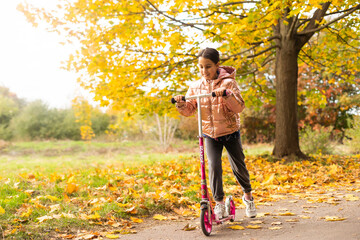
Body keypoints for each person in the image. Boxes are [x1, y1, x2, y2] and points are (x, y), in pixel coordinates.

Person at [173, 47, 256, 219]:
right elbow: (189, 111)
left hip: (230, 132)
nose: (204, 71)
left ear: (217, 65)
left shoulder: (229, 83)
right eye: (201, 67)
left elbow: (239, 107)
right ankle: (219, 203)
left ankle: (248, 197)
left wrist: (227, 96)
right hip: (209, 134)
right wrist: (181, 103)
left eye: (208, 66)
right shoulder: (195, 87)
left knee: (239, 166)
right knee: (214, 167)